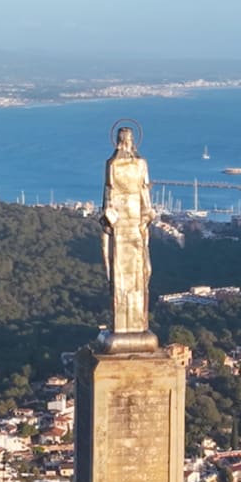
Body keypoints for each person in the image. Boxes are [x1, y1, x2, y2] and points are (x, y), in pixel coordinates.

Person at [101, 126, 155, 335]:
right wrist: (145, 216)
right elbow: (144, 193)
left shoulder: (115, 164)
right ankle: (128, 325)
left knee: (140, 271)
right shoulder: (127, 164)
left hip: (129, 221)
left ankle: (136, 324)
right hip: (127, 222)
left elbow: (109, 197)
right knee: (128, 271)